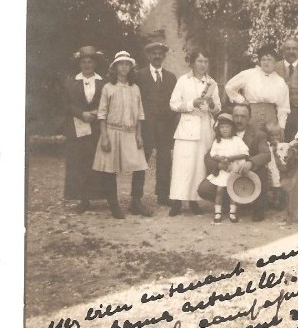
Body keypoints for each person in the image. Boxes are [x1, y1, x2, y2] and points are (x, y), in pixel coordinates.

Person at [92, 51, 149, 219]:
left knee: (140, 167)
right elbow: (102, 113)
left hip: (131, 132)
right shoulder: (108, 88)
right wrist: (104, 136)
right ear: (115, 67)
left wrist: (139, 135)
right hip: (112, 131)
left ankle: (136, 202)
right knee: (109, 169)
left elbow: (140, 114)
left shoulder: (135, 88)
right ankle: (114, 205)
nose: (124, 67)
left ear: (131, 67)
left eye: (127, 64)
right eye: (121, 64)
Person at [168, 50, 221, 216]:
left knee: (199, 165)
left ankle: (194, 201)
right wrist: (192, 103)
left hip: (205, 127)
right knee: (182, 165)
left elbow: (218, 108)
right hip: (187, 127)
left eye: (205, 61)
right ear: (192, 63)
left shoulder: (212, 83)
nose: (203, 64)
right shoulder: (183, 81)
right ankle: (176, 201)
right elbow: (174, 104)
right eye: (199, 61)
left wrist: (212, 105)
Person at [198, 103, 271, 221]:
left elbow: (266, 154)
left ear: (249, 118)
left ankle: (256, 207)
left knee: (262, 171)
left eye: (243, 116)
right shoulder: (224, 132)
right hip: (227, 174)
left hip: (247, 175)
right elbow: (208, 157)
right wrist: (218, 165)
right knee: (204, 189)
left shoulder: (258, 134)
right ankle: (231, 205)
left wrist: (251, 163)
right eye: (236, 116)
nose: (239, 120)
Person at [131, 40, 177, 207]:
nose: (157, 56)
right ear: (148, 56)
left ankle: (163, 195)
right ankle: (136, 197)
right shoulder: (139, 76)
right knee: (141, 160)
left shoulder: (171, 77)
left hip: (165, 126)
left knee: (165, 160)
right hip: (146, 126)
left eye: (160, 53)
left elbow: (175, 102)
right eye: (154, 53)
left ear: (164, 56)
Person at [63, 45, 107, 213]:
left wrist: (96, 112)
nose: (87, 65)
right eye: (84, 62)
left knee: (95, 161)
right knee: (79, 162)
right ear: (79, 64)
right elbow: (66, 104)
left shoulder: (103, 82)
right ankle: (83, 199)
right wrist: (82, 114)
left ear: (95, 64)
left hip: (97, 126)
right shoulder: (71, 82)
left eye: (90, 62)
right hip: (78, 125)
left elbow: (107, 102)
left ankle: (97, 195)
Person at [224, 44, 290, 138]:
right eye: (263, 59)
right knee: (250, 141)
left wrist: (281, 127)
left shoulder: (280, 81)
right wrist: (242, 101)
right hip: (251, 116)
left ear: (275, 62)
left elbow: (283, 107)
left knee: (270, 144)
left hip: (271, 119)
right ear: (260, 61)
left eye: (269, 60)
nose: (266, 63)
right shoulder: (249, 74)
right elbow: (229, 87)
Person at [206, 113, 250, 224]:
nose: (224, 129)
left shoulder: (236, 140)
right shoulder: (217, 141)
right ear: (218, 129)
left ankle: (232, 212)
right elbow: (212, 154)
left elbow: (245, 154)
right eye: (222, 127)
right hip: (223, 170)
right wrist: (220, 158)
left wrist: (232, 158)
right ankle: (217, 213)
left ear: (232, 128)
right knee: (219, 190)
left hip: (234, 169)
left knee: (233, 191)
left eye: (227, 127)